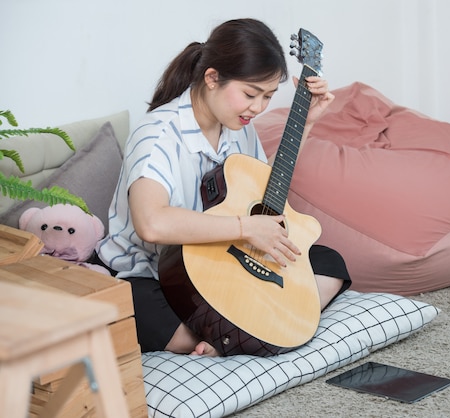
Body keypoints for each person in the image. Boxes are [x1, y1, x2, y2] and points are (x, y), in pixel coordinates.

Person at [96, 18, 351, 357]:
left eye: (268, 97)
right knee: (136, 306)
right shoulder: (157, 134)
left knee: (328, 262)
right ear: (212, 77)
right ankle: (252, 328)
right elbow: (151, 223)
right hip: (158, 271)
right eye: (250, 94)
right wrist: (247, 228)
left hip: (221, 257)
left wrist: (305, 123)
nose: (258, 108)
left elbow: (263, 193)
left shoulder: (239, 125)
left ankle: (234, 330)